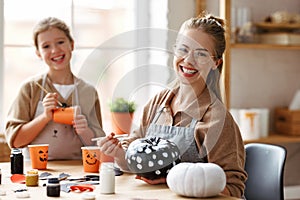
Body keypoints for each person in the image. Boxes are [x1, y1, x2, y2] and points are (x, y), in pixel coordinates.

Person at [98, 13, 247, 198]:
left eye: (200, 54)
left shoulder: (217, 119)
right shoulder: (158, 102)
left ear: (215, 62)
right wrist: (119, 154)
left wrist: (173, 178)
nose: (188, 60)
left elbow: (234, 189)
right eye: (183, 50)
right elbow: (135, 158)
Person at [5, 17, 104, 160]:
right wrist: (45, 117)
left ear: (72, 44)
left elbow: (98, 146)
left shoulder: (89, 92)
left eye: (60, 42)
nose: (55, 50)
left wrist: (85, 131)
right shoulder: (31, 88)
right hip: (37, 172)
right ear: (38, 53)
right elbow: (15, 142)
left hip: (80, 171)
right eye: (46, 46)